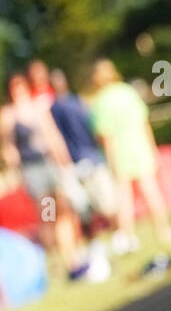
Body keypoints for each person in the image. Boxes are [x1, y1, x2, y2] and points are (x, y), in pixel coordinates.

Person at [0, 73, 90, 279]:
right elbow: (9, 146)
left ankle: (71, 253)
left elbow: (52, 134)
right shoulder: (8, 115)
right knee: (47, 214)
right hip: (33, 169)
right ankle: (56, 257)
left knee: (63, 210)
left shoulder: (37, 108)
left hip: (49, 164)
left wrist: (63, 159)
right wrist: (14, 167)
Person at [86, 59, 171, 250]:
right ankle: (163, 230)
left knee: (124, 197)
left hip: (119, 152)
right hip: (140, 146)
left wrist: (110, 160)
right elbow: (144, 121)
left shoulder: (100, 101)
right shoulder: (127, 92)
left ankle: (126, 237)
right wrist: (152, 147)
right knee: (150, 190)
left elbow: (105, 135)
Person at [48, 68, 119, 236]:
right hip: (81, 159)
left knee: (101, 202)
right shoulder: (69, 105)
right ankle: (110, 233)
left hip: (85, 158)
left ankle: (114, 232)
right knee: (94, 204)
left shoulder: (71, 103)